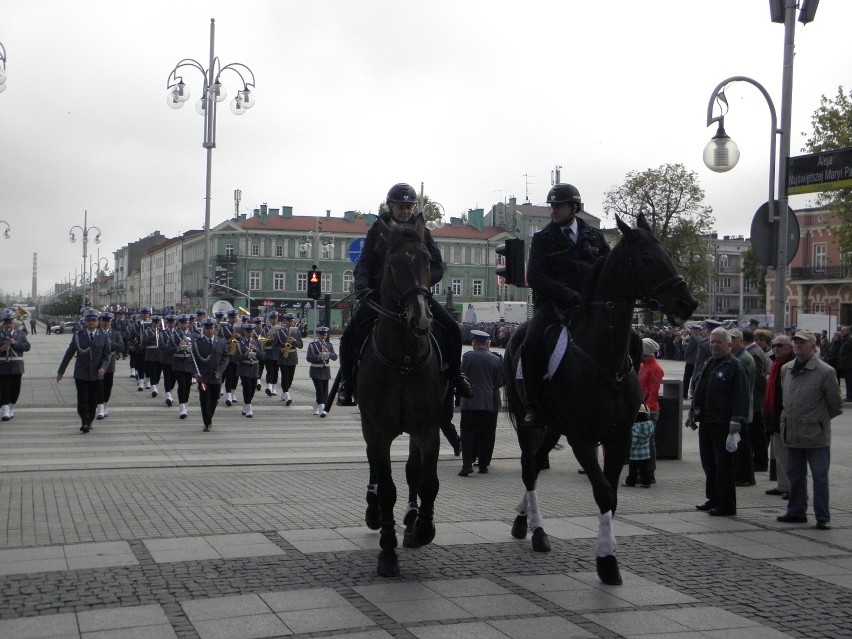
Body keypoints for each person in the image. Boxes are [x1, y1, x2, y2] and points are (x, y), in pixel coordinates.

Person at [336, 182, 472, 406]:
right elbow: (364, 263)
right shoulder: (378, 230)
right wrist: (361, 285)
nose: (405, 211)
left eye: (409, 207)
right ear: (391, 206)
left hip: (414, 294)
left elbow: (437, 265)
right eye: (401, 206)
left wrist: (424, 282)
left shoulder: (422, 231)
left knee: (451, 328)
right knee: (351, 333)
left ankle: (456, 375)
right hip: (381, 295)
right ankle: (348, 383)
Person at [521, 183, 610, 427]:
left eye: (559, 206)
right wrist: (565, 293)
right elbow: (536, 277)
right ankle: (533, 404)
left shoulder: (594, 237)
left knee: (628, 340)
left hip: (591, 306)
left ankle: (630, 397)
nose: (554, 210)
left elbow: (607, 269)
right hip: (554, 306)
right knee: (530, 344)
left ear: (574, 207)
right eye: (552, 206)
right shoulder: (543, 239)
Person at [777, 330, 842, 530]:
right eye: (795, 342)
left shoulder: (825, 371)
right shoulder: (786, 369)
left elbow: (835, 405)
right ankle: (796, 511)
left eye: (803, 343)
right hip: (793, 432)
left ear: (813, 346)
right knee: (795, 475)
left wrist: (817, 420)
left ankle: (822, 516)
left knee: (820, 477)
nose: (798, 345)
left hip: (816, 435)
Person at [691, 327, 749, 516]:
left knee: (723, 465)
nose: (714, 345)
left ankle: (726, 504)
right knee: (709, 463)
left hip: (724, 423)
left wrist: (736, 420)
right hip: (707, 421)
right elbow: (700, 389)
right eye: (712, 342)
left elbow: (741, 395)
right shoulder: (709, 362)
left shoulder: (734, 366)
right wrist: (693, 413)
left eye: (719, 342)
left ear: (729, 345)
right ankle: (713, 498)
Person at [56, 310, 113, 434]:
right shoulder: (78, 335)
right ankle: (85, 422)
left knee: (92, 400)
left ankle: (90, 420)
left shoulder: (103, 336)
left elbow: (107, 354)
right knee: (82, 399)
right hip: (81, 373)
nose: (91, 323)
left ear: (98, 322)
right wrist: (61, 371)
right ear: (85, 322)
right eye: (89, 320)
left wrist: (104, 367)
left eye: (94, 320)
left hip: (97, 374)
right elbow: (69, 353)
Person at [458, 330, 504, 476]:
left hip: (469, 403)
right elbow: (498, 382)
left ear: (474, 343)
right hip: (487, 404)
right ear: (487, 343)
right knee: (485, 435)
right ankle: (483, 466)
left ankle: (467, 466)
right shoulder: (495, 359)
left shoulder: (467, 357)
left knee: (467, 434)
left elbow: (461, 377)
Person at [763, 334, 794, 500]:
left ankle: (792, 487)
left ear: (790, 347)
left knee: (787, 454)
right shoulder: (776, 363)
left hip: (785, 415)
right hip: (773, 414)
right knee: (778, 454)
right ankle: (783, 485)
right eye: (774, 345)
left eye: (781, 345)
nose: (776, 348)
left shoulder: (791, 364)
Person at [729, 328, 757, 487]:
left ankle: (746, 476)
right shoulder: (736, 357)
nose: (731, 342)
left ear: (740, 341)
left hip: (743, 408)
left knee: (744, 445)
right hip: (739, 408)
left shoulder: (744, 359)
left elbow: (742, 388)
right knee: (739, 444)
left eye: (733, 339)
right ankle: (740, 474)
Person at [193, 318, 229, 432]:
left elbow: (225, 357)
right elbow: (192, 360)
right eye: (206, 328)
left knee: (214, 399)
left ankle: (209, 417)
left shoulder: (221, 342)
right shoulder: (197, 343)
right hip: (203, 378)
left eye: (211, 328)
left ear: (215, 329)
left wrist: (220, 370)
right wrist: (195, 373)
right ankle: (207, 422)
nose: (209, 331)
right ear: (203, 329)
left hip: (216, 377)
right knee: (204, 400)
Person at [743, 329, 769, 472]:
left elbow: (759, 377)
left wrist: (765, 394)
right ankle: (758, 459)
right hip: (756, 397)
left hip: (756, 398)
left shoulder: (753, 353)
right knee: (756, 431)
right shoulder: (755, 350)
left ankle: (760, 461)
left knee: (757, 432)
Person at [638, 337, 663, 482]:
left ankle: (649, 472)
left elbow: (653, 392)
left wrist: (647, 409)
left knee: (648, 442)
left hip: (649, 410)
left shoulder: (654, 368)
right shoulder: (644, 366)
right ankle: (643, 471)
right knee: (643, 442)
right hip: (643, 408)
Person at [1, 311, 31, 421]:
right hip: (2, 366)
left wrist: (15, 344)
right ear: (3, 324)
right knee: (3, 389)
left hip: (16, 366)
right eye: (6, 323)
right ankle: (5, 411)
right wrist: (2, 349)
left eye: (10, 323)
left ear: (13, 324)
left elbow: (27, 347)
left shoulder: (20, 335)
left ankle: (11, 407)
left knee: (15, 389)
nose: (8, 325)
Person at [96, 313, 125, 420]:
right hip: (98, 362)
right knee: (99, 385)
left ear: (110, 323)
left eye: (108, 322)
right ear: (100, 322)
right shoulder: (97, 333)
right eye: (104, 321)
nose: (105, 324)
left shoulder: (115, 334)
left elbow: (122, 347)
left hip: (110, 362)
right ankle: (100, 408)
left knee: (108, 385)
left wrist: (110, 343)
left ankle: (105, 404)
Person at [168, 315, 195, 420]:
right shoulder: (174, 335)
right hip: (178, 363)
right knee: (181, 385)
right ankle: (182, 407)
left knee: (188, 385)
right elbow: (167, 349)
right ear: (178, 324)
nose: (184, 325)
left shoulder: (193, 335)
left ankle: (185, 403)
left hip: (189, 363)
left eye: (186, 323)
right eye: (182, 323)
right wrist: (178, 348)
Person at [307, 326, 337, 417]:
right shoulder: (312, 345)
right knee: (319, 390)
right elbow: (308, 358)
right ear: (318, 335)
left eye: (325, 335)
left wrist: (329, 354)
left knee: (325, 391)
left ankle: (317, 406)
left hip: (325, 370)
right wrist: (318, 356)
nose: (323, 337)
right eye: (321, 335)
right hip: (315, 370)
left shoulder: (329, 345)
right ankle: (322, 409)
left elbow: (335, 357)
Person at [623, 403, 655, 488]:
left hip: (635, 455)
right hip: (646, 454)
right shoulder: (649, 425)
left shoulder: (635, 428)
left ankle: (630, 482)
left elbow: (633, 441)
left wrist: (629, 449)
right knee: (644, 469)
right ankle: (646, 482)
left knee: (632, 470)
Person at [275, 313, 303, 406]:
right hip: (283, 356)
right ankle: (286, 395)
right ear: (285, 321)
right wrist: (281, 349)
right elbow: (275, 345)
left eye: (291, 321)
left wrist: (294, 341)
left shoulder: (297, 331)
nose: (290, 322)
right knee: (285, 376)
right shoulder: (279, 331)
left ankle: (284, 392)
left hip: (292, 356)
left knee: (290, 377)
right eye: (288, 320)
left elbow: (301, 345)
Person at [235, 323, 262, 418]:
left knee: (253, 389)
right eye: (247, 332)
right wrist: (245, 354)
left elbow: (263, 356)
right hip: (244, 368)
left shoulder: (257, 342)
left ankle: (246, 406)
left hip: (254, 367)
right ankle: (249, 408)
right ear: (244, 332)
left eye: (251, 332)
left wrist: (256, 351)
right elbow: (236, 358)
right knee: (247, 388)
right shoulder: (239, 343)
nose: (249, 334)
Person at [261, 311, 280, 396]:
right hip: (268, 352)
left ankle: (274, 388)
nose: (274, 320)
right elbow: (261, 340)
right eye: (272, 318)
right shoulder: (265, 329)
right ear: (270, 319)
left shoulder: (280, 328)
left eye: (275, 318)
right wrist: (268, 338)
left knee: (276, 371)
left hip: (276, 353)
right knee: (269, 370)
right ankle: (269, 387)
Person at [835, 325, 852, 401]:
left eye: (843, 331)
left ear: (847, 331)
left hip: (848, 364)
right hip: (845, 364)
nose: (841, 332)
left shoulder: (849, 339)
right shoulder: (845, 339)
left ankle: (850, 396)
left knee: (849, 380)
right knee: (847, 380)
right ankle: (849, 395)